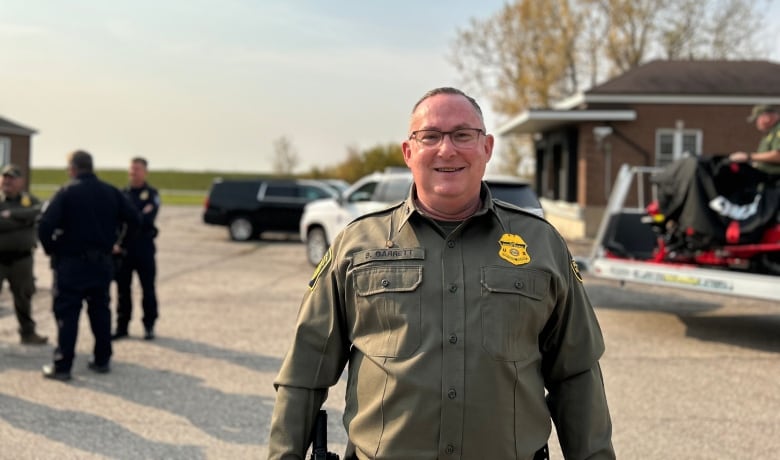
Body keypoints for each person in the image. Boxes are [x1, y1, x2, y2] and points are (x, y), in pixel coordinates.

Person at [268, 87, 615, 459]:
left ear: (487, 147)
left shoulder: (542, 244)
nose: (446, 149)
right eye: (430, 136)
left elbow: (576, 375)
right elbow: (305, 370)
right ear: (408, 152)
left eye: (463, 135)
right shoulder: (357, 245)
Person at [37, 150, 141, 381]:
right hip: (102, 263)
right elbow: (135, 220)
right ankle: (102, 359)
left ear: (73, 168)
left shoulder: (66, 192)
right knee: (100, 311)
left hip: (71, 264)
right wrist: (120, 245)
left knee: (68, 314)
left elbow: (44, 225)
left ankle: (63, 366)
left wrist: (52, 249)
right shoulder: (111, 192)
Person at [112, 157, 161, 341]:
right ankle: (122, 326)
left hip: (144, 249)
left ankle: (149, 325)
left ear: (145, 172)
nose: (134, 173)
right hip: (124, 249)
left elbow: (147, 220)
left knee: (147, 289)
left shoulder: (151, 194)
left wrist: (133, 216)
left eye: (138, 169)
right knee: (123, 290)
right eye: (132, 169)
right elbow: (118, 219)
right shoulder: (122, 193)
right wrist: (139, 214)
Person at [0, 164, 47, 345]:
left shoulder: (28, 199)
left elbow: (40, 211)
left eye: (12, 178)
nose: (7, 181)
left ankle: (27, 333)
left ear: (21, 182)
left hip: (22, 259)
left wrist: (11, 214)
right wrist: (23, 222)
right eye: (5, 177)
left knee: (24, 297)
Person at [729, 104, 780, 175]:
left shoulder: (778, 130)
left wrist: (749, 157)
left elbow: (778, 156)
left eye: (757, 119)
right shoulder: (771, 132)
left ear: (766, 117)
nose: (757, 123)